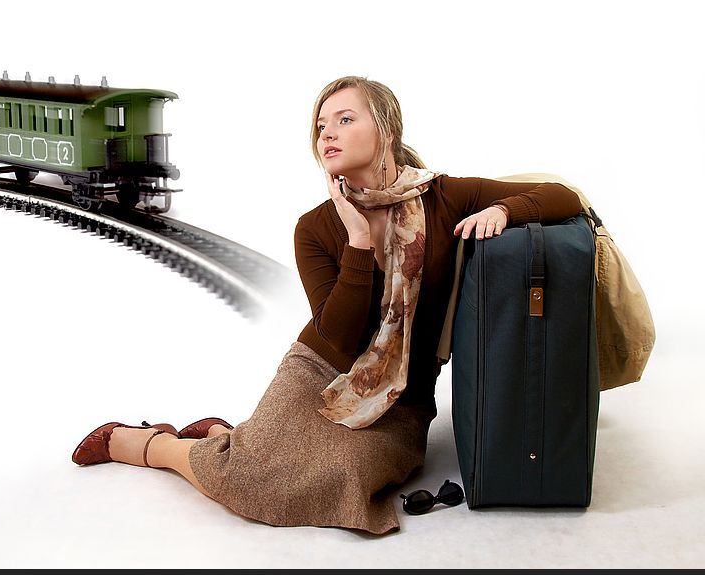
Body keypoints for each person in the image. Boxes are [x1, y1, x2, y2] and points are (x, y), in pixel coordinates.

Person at [70, 76, 583, 535]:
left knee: (346, 478)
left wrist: (502, 209)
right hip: (319, 369)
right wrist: (358, 241)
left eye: (344, 119)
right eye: (321, 126)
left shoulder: (443, 197)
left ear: (385, 128)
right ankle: (145, 445)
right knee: (248, 479)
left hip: (403, 394)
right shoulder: (315, 227)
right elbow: (338, 336)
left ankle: (226, 436)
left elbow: (564, 196)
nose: (327, 134)